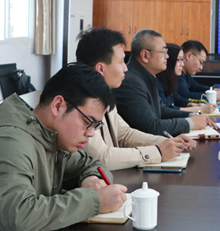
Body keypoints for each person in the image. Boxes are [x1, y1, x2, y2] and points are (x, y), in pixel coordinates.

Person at [0, 64, 128, 231]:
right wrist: (95, 201)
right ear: (58, 105)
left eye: (95, 125)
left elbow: (91, 164)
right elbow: (19, 216)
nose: (91, 133)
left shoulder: (49, 135)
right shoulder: (8, 141)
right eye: (88, 122)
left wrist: (90, 179)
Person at [76, 28, 196, 170]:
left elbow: (124, 134)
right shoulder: (80, 101)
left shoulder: (104, 94)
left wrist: (166, 141)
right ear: (101, 69)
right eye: (121, 62)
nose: (125, 68)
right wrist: (157, 152)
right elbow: (102, 157)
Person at [113, 30, 217, 137]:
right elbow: (151, 127)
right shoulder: (130, 82)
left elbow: (161, 111)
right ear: (145, 55)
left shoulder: (146, 76)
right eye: (163, 52)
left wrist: (193, 115)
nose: (167, 56)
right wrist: (190, 123)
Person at [157, 43, 215, 114]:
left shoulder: (169, 80)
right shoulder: (158, 83)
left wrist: (191, 104)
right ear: (169, 61)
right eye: (179, 60)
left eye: (182, 60)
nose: (182, 64)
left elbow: (177, 98)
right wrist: (198, 109)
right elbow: (166, 110)